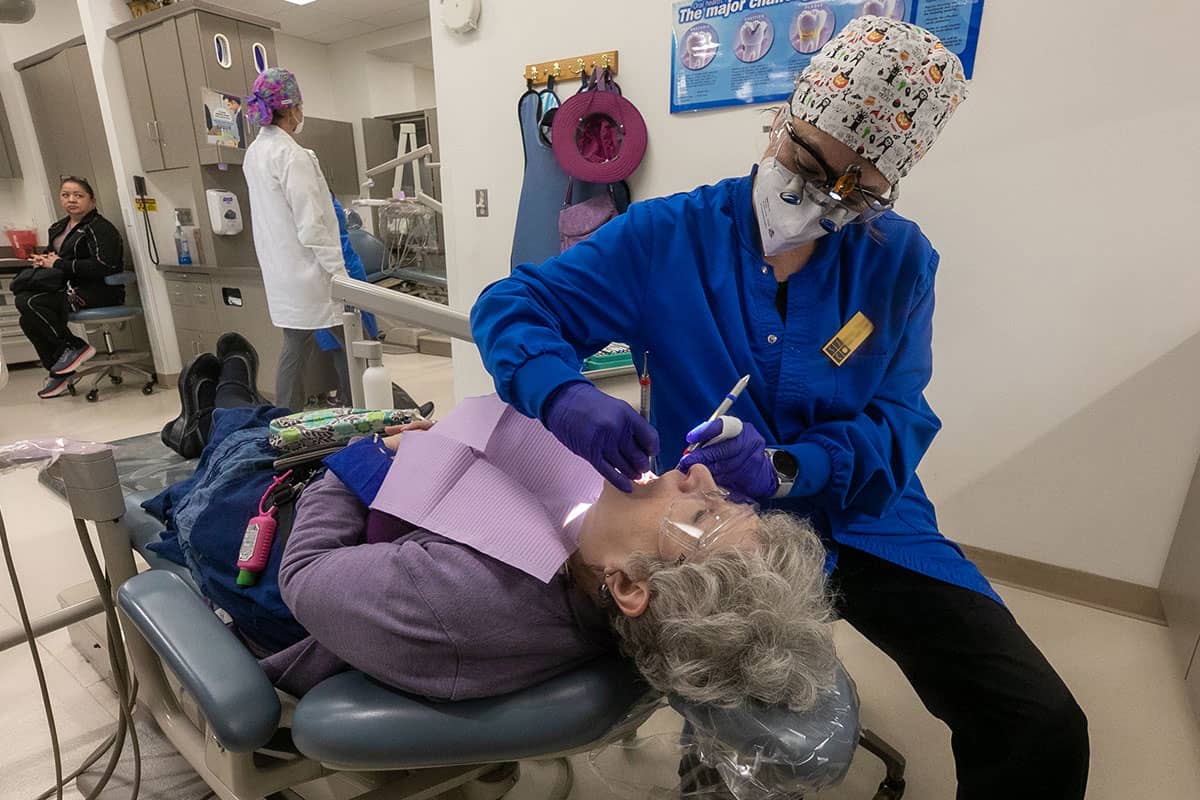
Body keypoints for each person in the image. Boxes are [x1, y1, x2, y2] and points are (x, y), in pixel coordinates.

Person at [471, 17, 1088, 799]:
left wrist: (789, 467)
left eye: (858, 188)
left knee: (1041, 723)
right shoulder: (669, 237)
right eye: (808, 160)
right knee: (737, 749)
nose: (822, 198)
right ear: (781, 119)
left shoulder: (899, 261)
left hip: (867, 515)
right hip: (718, 536)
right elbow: (512, 306)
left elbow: (901, 418)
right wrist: (562, 394)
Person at [147, 348, 838, 710]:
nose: (704, 478)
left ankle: (216, 405)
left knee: (247, 439)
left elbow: (304, 579)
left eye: (704, 513)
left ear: (629, 587)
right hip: (381, 509)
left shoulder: (466, 602)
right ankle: (222, 400)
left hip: (269, 549)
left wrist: (364, 462)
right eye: (728, 497)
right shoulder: (592, 548)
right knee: (273, 417)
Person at [242, 67, 352, 411]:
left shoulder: (255, 154)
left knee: (294, 347)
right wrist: (339, 273)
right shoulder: (291, 156)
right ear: (292, 108)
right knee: (352, 342)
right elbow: (312, 225)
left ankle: (283, 420)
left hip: (282, 272)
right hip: (311, 273)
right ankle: (363, 412)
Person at [15, 176, 124, 399]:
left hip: (97, 291)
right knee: (26, 316)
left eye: (78, 195)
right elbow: (54, 257)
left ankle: (73, 346)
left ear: (92, 201)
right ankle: (59, 370)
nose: (71, 200)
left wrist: (59, 264)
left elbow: (105, 266)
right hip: (66, 288)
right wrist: (43, 260)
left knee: (32, 302)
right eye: (66, 195)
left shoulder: (100, 228)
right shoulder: (58, 227)